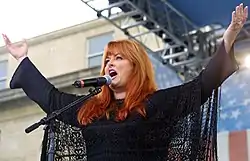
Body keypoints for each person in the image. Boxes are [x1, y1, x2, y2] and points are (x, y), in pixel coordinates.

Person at [3, 3, 248, 161]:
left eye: (118, 58)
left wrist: (228, 39)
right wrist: (22, 58)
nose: (110, 63)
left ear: (136, 67)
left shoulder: (155, 104)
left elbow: (202, 85)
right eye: (107, 59)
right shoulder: (92, 109)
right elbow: (53, 98)